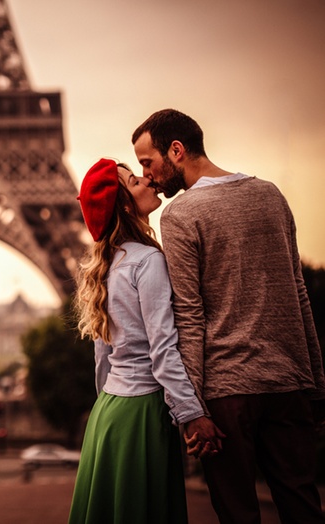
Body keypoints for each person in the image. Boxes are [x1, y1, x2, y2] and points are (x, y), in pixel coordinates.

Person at [132, 108, 325, 523]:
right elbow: (298, 293)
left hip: (226, 396)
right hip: (288, 384)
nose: (146, 175)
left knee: (238, 514)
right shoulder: (270, 194)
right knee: (304, 507)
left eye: (148, 162)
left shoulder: (180, 215)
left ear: (177, 150)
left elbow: (189, 314)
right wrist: (316, 382)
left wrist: (193, 410)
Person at [68, 158, 221, 523]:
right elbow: (164, 349)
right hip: (142, 412)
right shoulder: (148, 260)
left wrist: (108, 402)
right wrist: (191, 413)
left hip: (108, 413)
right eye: (136, 181)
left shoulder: (110, 265)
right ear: (123, 203)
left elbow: (102, 358)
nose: (149, 182)